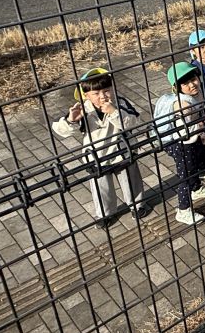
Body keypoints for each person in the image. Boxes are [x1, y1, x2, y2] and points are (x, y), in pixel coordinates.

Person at [51, 68, 147, 228]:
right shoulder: (82, 109)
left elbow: (133, 121)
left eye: (106, 90)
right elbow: (61, 130)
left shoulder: (120, 103)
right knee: (101, 188)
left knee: (131, 181)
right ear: (85, 95)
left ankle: (137, 206)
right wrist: (71, 120)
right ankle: (105, 214)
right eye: (96, 93)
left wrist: (114, 113)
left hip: (122, 151)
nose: (102, 96)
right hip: (96, 157)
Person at [155, 63, 205, 225]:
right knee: (186, 175)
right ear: (176, 87)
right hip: (180, 143)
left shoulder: (197, 93)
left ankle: (196, 189)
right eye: (185, 83)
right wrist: (201, 124)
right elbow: (184, 129)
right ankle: (183, 210)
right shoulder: (182, 104)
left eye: (194, 79)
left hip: (192, 138)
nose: (192, 85)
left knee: (194, 165)